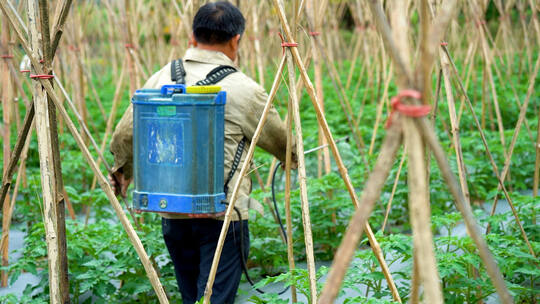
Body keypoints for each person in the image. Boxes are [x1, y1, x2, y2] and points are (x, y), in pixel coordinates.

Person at [109, 2, 294, 303]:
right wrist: (292, 159)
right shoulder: (244, 89)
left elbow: (125, 134)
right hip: (223, 216)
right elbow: (283, 143)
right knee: (215, 299)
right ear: (236, 40)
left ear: (193, 37)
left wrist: (122, 171)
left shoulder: (161, 78)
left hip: (172, 210)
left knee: (190, 296)